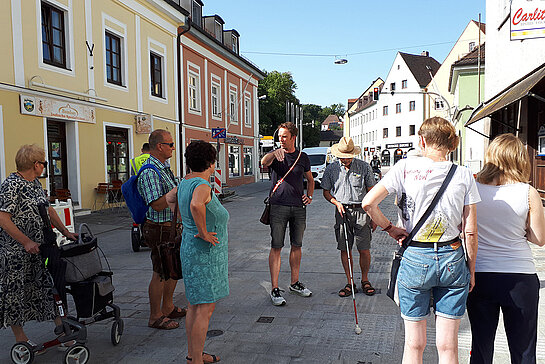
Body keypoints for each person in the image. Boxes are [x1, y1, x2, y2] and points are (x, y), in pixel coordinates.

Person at [362, 117, 480, 363]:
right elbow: (470, 230)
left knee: (414, 344)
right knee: (448, 346)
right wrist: (472, 268)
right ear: (451, 144)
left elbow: (368, 203)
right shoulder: (464, 174)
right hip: (452, 256)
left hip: (415, 257)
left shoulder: (404, 167)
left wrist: (390, 229)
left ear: (422, 141)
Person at [467, 133, 545, 364]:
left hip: (480, 274)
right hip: (520, 275)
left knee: (481, 346)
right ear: (520, 159)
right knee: (523, 350)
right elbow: (539, 238)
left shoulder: (473, 189)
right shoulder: (528, 192)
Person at [0, 144, 77, 346]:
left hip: (40, 249)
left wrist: (65, 231)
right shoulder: (11, 185)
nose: (45, 166)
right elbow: (3, 218)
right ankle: (21, 339)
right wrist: (25, 242)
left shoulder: (34, 183)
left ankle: (63, 331)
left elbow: (49, 210)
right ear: (36, 165)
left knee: (50, 289)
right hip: (16, 253)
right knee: (16, 295)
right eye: (44, 163)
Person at [168, 140, 228, 364]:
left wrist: (186, 222)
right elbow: (196, 205)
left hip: (191, 249)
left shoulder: (184, 182)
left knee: (195, 305)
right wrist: (202, 232)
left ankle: (194, 354)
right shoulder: (202, 186)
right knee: (204, 308)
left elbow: (169, 198)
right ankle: (196, 360)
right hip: (204, 254)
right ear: (211, 163)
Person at [260, 122, 314, 306]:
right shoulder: (276, 155)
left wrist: (310, 196)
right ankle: (275, 288)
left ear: (293, 138)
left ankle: (294, 283)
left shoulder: (302, 157)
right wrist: (272, 154)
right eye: (279, 136)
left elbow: (310, 180)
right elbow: (263, 163)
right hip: (278, 206)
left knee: (297, 245)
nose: (281, 140)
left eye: (284, 136)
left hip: (298, 207)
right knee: (276, 246)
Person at [137, 129, 186, 330]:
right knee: (160, 273)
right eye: (171, 144)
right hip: (158, 228)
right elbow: (156, 204)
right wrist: (175, 192)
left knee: (172, 270)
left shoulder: (163, 167)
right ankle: (155, 316)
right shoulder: (150, 171)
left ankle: (168, 307)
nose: (173, 148)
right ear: (160, 146)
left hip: (170, 227)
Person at [320, 137, 377, 297]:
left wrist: (374, 216)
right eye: (342, 156)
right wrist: (336, 203)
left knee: (364, 249)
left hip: (362, 211)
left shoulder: (364, 167)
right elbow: (325, 191)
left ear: (353, 154)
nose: (344, 159)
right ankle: (349, 281)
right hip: (341, 211)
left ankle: (365, 280)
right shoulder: (331, 169)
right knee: (345, 248)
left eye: (348, 156)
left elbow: (372, 193)